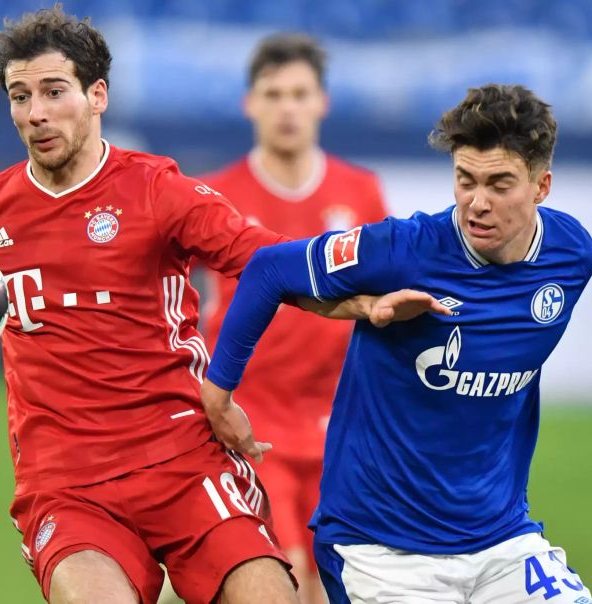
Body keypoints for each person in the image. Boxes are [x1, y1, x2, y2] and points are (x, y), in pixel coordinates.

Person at [0, 6, 445, 604]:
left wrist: (362, 302)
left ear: (97, 95)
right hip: (67, 483)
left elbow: (268, 261)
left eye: (53, 91)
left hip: (183, 459)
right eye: (20, 96)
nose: (36, 113)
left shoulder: (158, 191)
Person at [201, 84, 592, 603]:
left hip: (500, 541)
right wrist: (218, 393)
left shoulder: (571, 256)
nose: (477, 203)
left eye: (500, 184)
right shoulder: (405, 250)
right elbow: (268, 269)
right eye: (465, 180)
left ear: (541, 185)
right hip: (383, 550)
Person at [200, 34, 388, 604]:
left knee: (349, 585)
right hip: (250, 423)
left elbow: (383, 304)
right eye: (273, 93)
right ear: (249, 103)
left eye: (299, 93)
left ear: (321, 102)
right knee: (285, 579)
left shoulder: (361, 192)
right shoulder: (214, 196)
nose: (287, 107)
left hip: (343, 427)